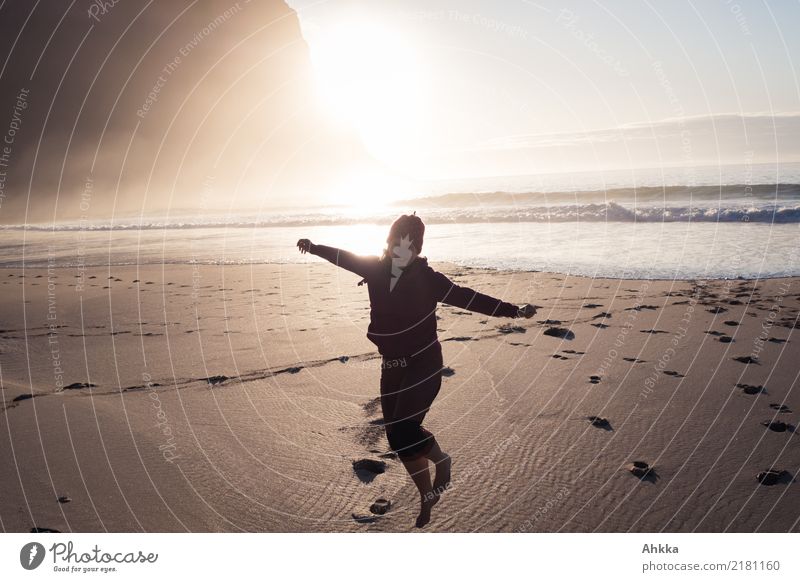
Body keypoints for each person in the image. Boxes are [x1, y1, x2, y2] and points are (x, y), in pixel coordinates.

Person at [297, 214, 536, 527]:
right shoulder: (373, 267)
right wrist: (314, 247)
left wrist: (512, 310)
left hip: (424, 363)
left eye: (411, 242)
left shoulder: (429, 280)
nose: (403, 247)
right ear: (391, 240)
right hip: (392, 364)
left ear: (418, 246)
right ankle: (427, 496)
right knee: (398, 439)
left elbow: (468, 298)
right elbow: (342, 256)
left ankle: (442, 461)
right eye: (399, 240)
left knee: (405, 431)